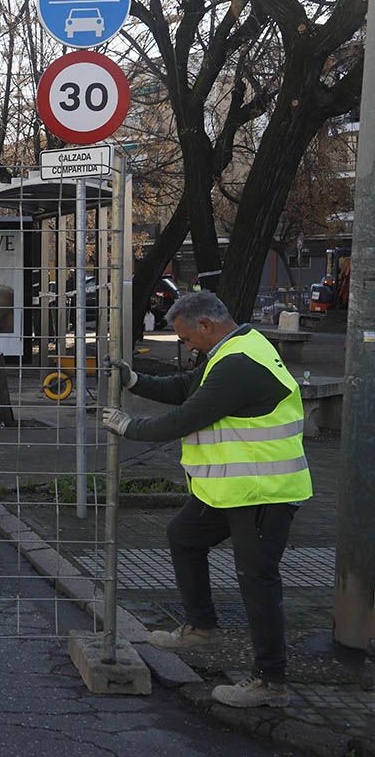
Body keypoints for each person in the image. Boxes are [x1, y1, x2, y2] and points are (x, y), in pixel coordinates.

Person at [101, 291, 311, 709]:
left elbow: (186, 417)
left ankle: (270, 682)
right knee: (184, 535)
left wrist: (129, 426)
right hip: (232, 489)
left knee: (257, 583)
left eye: (185, 337)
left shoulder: (239, 364)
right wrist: (135, 381)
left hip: (262, 493)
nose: (184, 345)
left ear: (205, 326)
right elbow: (186, 388)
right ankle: (200, 627)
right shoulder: (234, 348)